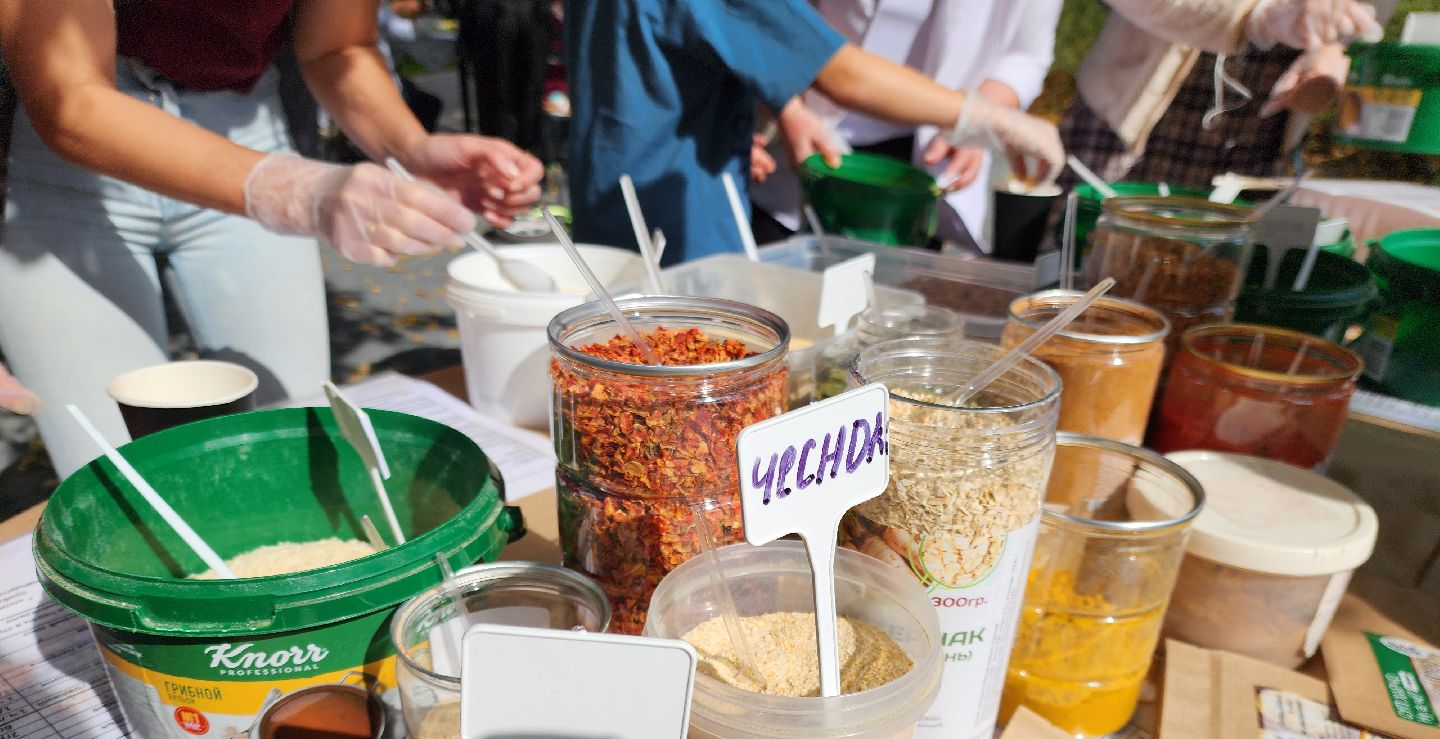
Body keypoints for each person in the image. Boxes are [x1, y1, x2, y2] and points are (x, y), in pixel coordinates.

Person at [0, 0, 543, 479]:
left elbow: (338, 45)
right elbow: (70, 98)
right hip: (69, 169)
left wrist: (410, 148)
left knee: (294, 452)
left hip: (246, 122)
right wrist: (293, 190)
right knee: (121, 480)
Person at [564, 0, 1065, 265]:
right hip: (681, 217)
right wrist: (991, 119)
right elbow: (843, 73)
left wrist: (760, 113)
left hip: (612, 189)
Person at [752, 0, 1063, 250]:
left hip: (926, 158)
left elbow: (1025, 54)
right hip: (799, 142)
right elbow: (836, 70)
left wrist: (977, 122)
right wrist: (789, 107)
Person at [1061, 0, 1386, 187]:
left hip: (1263, 127)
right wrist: (1262, 14)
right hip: (1131, 112)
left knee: (1216, 272)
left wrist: (1333, 43)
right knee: (1085, 261)